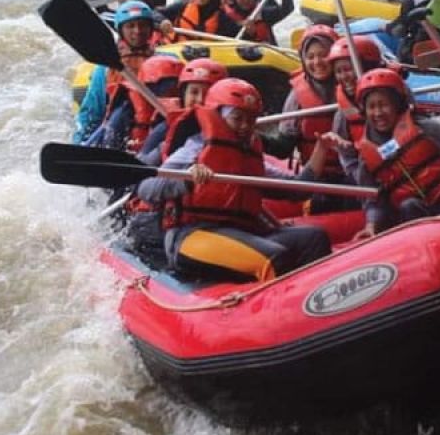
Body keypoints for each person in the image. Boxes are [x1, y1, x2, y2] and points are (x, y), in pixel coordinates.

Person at [135, 78, 332, 282]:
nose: (245, 126)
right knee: (273, 257)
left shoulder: (249, 154)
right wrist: (187, 180)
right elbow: (146, 188)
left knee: (314, 239)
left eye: (250, 119)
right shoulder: (194, 148)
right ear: (218, 116)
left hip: (242, 233)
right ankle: (282, 311)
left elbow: (297, 190)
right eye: (237, 118)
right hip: (192, 236)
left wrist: (321, 150)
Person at [316, 69, 440, 237]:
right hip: (422, 212)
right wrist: (372, 225)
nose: (378, 113)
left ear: (398, 105)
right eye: (372, 107)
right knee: (408, 206)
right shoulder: (366, 158)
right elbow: (374, 203)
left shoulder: (427, 128)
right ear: (364, 111)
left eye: (383, 105)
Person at [295, 36, 387, 214]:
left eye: (349, 69)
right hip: (365, 179)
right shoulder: (343, 115)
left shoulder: (396, 97)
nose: (344, 76)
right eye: (339, 71)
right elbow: (349, 162)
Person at [73, 0, 159, 144]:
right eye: (130, 26)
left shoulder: (165, 61)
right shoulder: (106, 68)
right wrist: (80, 142)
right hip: (117, 131)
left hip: (153, 131)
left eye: (142, 25)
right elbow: (92, 112)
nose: (137, 31)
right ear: (120, 31)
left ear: (151, 29)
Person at [266, 25, 339, 170]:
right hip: (318, 175)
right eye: (310, 57)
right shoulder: (296, 97)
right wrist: (251, 135)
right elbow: (283, 148)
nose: (317, 62)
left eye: (323, 54)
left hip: (354, 173)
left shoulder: (351, 84)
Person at [138, 57, 228, 165]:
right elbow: (141, 165)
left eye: (207, 94)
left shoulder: (233, 125)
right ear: (183, 94)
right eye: (194, 92)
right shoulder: (165, 127)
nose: (200, 99)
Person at [88, 54, 184, 152]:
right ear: (147, 86)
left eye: (174, 89)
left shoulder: (187, 112)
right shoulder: (126, 109)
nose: (171, 96)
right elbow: (108, 143)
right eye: (165, 88)